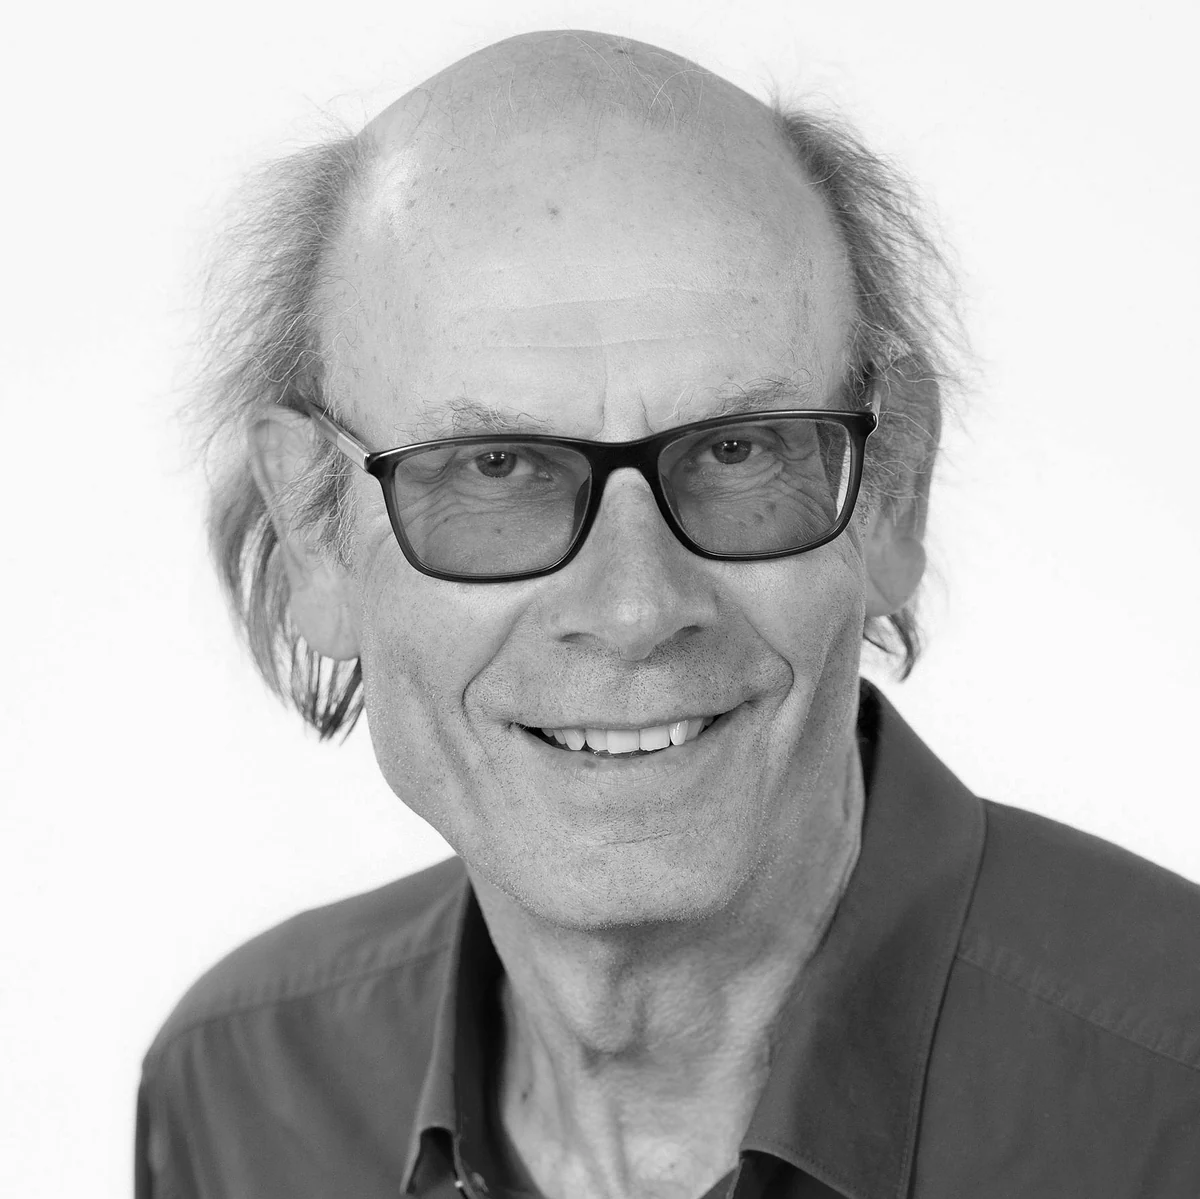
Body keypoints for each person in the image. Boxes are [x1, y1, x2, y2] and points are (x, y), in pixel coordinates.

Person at [137, 29, 1200, 1199]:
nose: (635, 605)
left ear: (892, 491)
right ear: (312, 534)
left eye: (740, 450)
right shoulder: (237, 1093)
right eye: (495, 467)